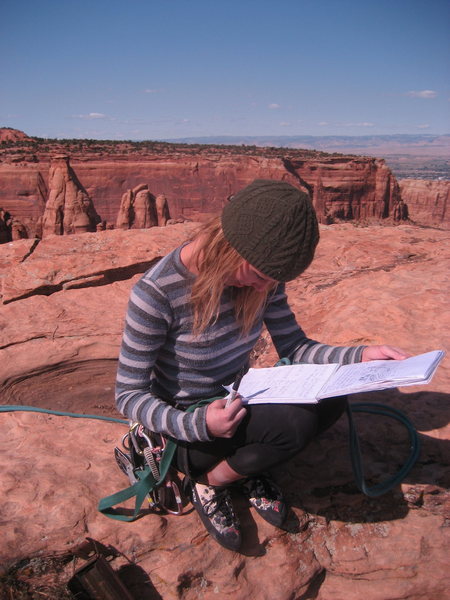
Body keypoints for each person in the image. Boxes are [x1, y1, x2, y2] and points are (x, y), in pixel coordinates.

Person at [115, 179, 408, 551]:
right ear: (230, 247)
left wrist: (361, 356)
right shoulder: (156, 294)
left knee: (334, 393)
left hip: (237, 401)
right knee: (293, 426)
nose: (262, 289)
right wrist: (198, 423)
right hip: (187, 426)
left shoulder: (264, 278)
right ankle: (212, 481)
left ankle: (243, 467)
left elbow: (295, 346)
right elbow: (128, 394)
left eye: (271, 281)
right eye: (259, 276)